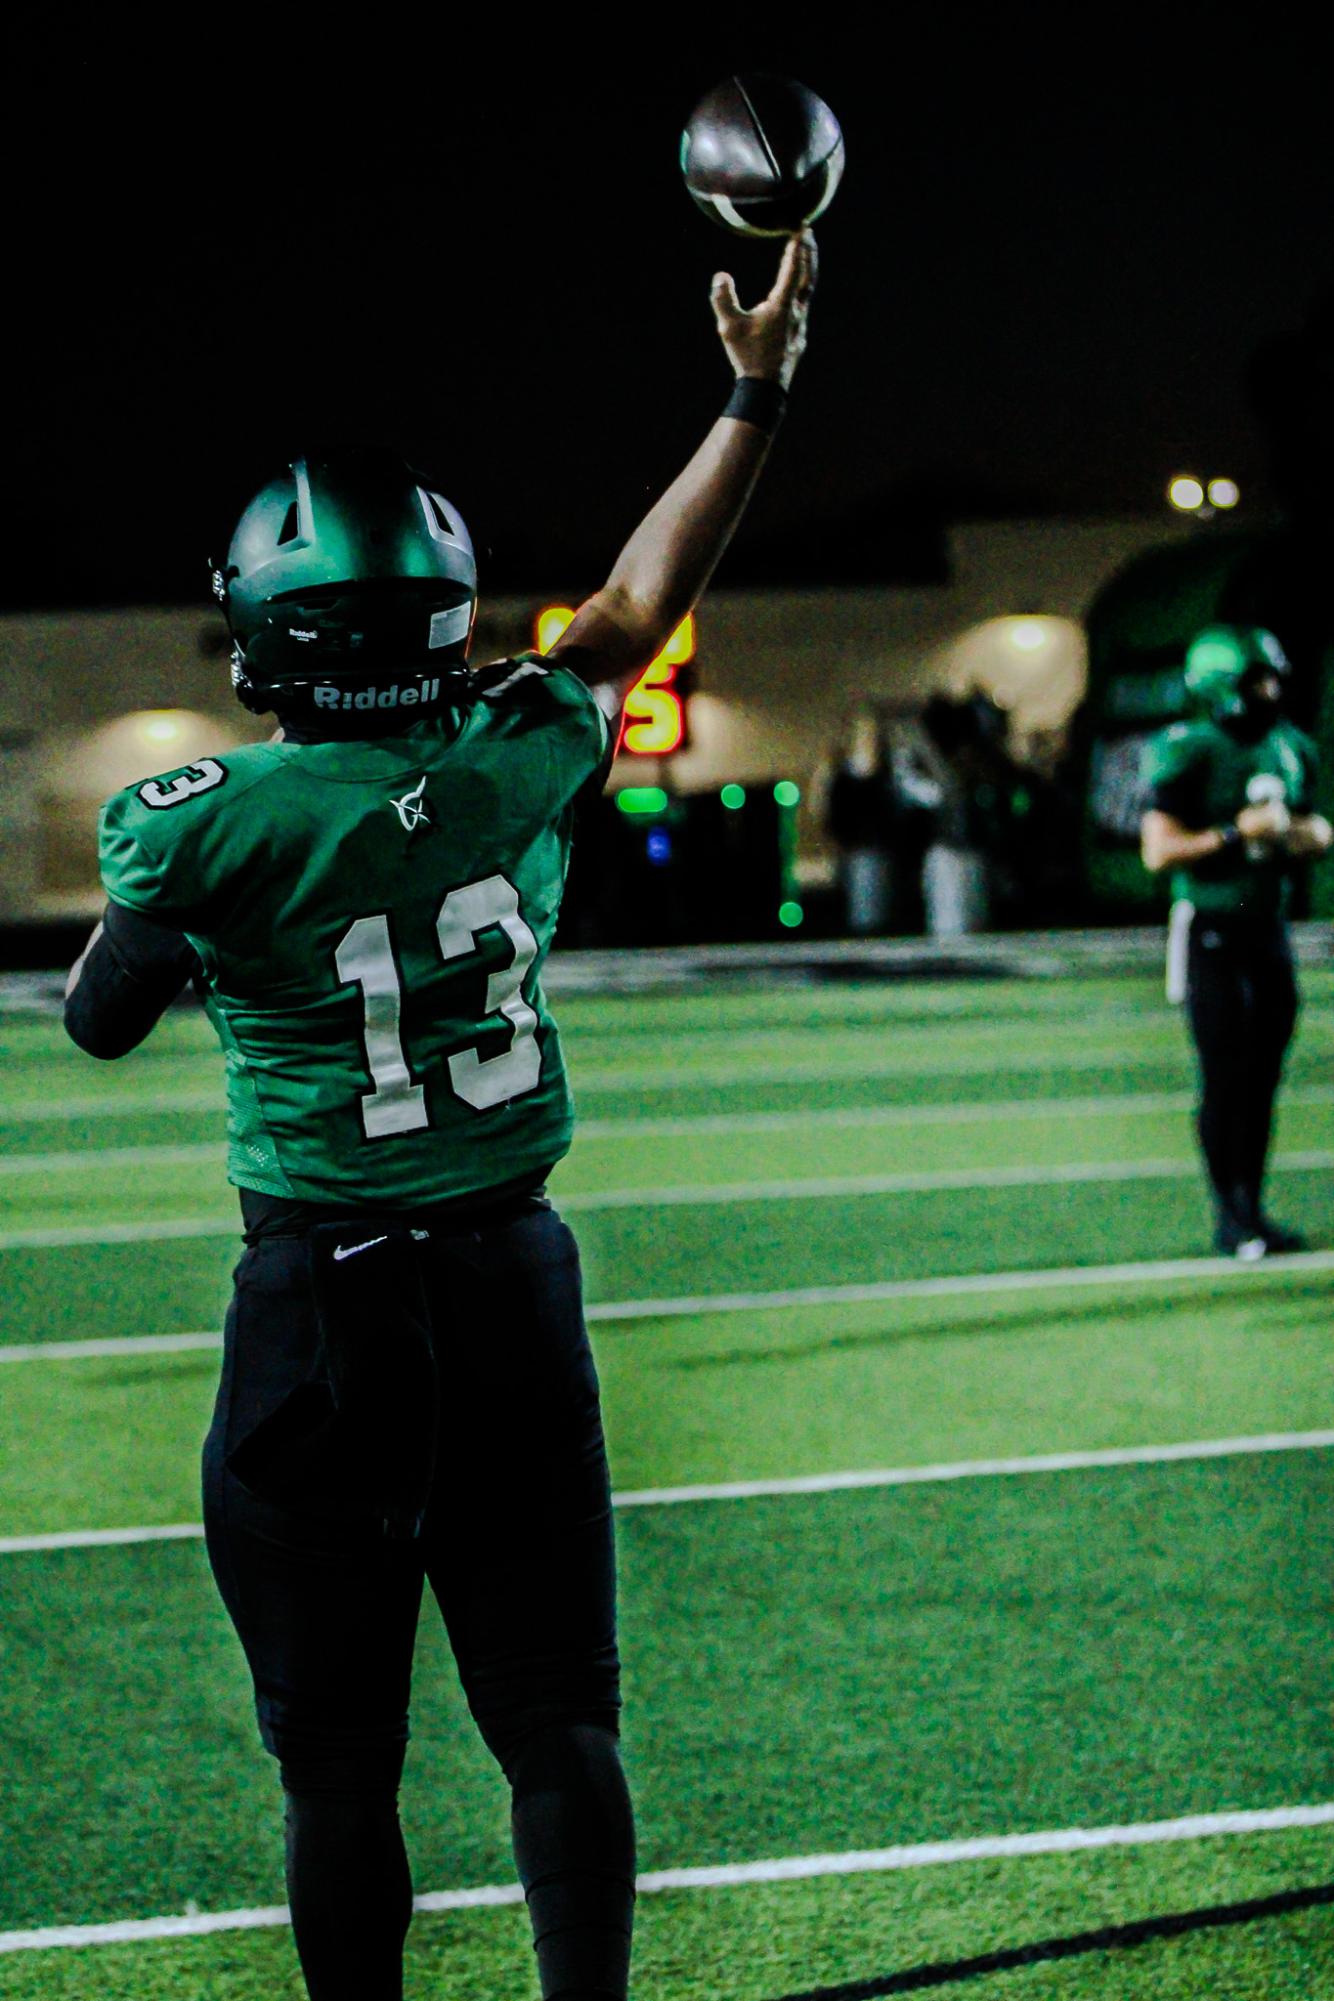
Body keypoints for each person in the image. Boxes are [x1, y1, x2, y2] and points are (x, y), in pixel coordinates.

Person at [62, 232, 817, 2001]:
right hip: (510, 1295)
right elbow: (633, 601)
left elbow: (102, 1019)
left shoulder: (198, 822)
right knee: (559, 1725)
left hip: (319, 1313)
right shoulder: (521, 750)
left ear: (261, 633)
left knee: (338, 1763)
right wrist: (755, 388)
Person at [1139, 624, 1331, 1259]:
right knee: (1225, 1076)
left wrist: (1307, 836)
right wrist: (1232, 833)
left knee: (1265, 1077)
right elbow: (1159, 851)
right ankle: (1231, 1213)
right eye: (1257, 680)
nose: (1271, 690)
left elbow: (1311, 825)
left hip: (1268, 929)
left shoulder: (1292, 746)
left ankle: (1253, 1204)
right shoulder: (1188, 747)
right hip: (1211, 928)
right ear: (1221, 685)